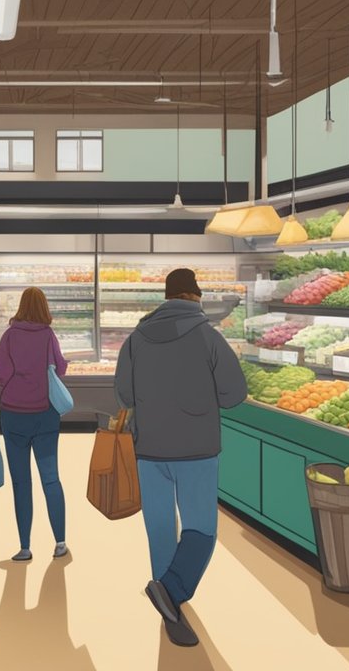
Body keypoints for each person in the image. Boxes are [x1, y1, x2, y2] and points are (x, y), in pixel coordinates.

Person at [114, 268, 247, 648]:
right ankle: (171, 592)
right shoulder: (208, 336)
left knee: (159, 527)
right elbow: (234, 394)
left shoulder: (137, 338)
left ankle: (168, 606)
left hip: (149, 449)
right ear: (195, 296)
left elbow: (123, 393)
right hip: (197, 449)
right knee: (201, 529)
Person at [0, 287, 68, 562]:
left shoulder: (9, 336)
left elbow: (0, 376)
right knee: (51, 478)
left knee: (21, 482)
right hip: (45, 415)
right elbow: (61, 367)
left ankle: (25, 546)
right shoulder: (47, 335)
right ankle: (59, 542)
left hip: (14, 415)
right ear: (44, 307)